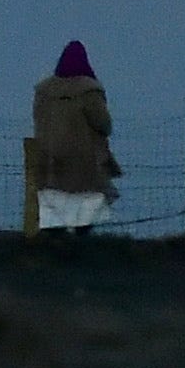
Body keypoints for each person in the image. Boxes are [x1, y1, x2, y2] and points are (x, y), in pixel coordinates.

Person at [31, 42, 117, 232]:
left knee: (53, 206)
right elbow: (103, 124)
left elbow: (37, 118)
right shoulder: (89, 90)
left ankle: (55, 245)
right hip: (83, 159)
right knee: (86, 203)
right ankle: (80, 243)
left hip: (49, 158)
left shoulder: (43, 91)